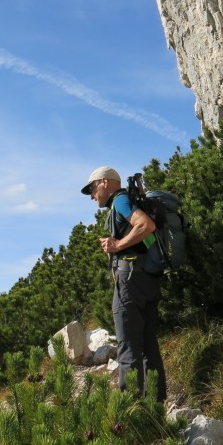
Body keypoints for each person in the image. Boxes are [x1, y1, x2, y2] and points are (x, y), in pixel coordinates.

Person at [81, 166, 167, 402]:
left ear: (105, 183)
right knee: (150, 348)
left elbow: (145, 225)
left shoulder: (120, 202)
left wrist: (117, 246)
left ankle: (131, 412)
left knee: (128, 348)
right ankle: (156, 407)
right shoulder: (129, 200)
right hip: (148, 280)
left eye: (92, 188)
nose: (92, 195)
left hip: (130, 281)